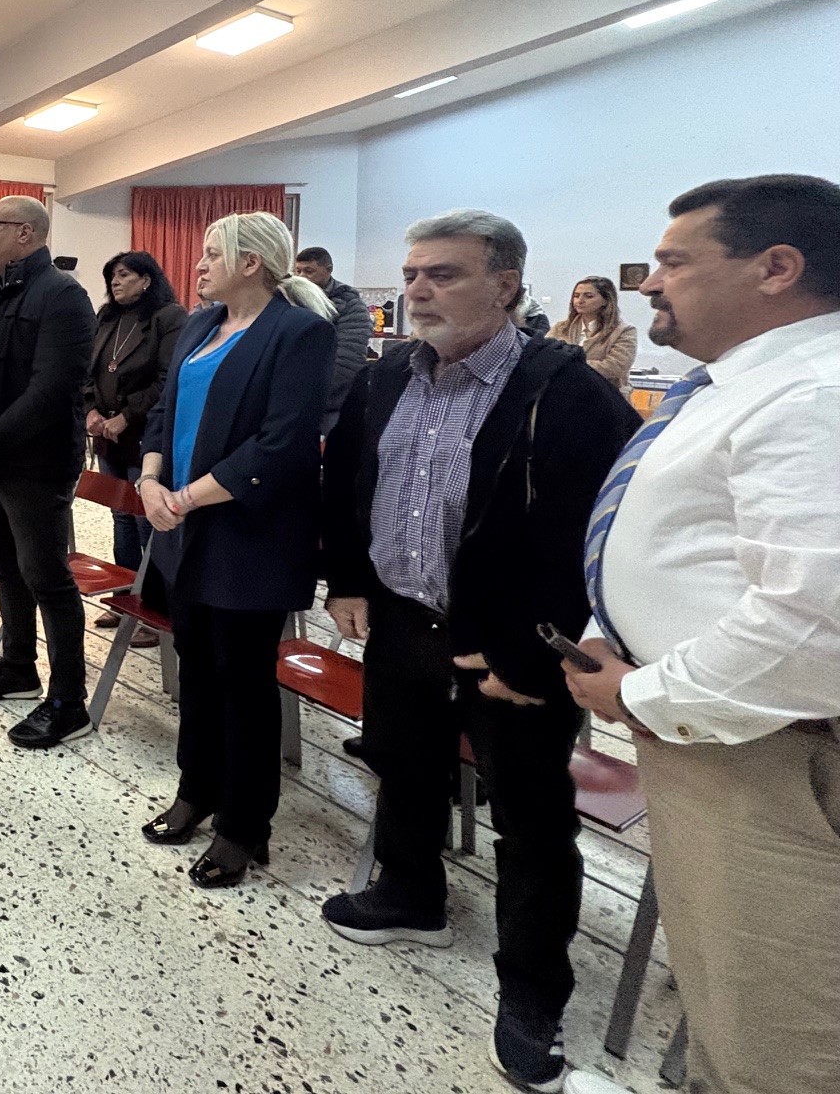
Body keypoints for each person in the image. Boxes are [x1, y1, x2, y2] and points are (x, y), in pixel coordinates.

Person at [318, 210, 639, 1093]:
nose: (418, 290)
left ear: (505, 285)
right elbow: (348, 480)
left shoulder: (564, 390)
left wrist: (531, 655)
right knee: (403, 765)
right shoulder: (388, 375)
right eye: (412, 274)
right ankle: (410, 892)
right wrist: (347, 580)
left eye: (444, 274)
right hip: (402, 619)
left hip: (508, 651)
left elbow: (599, 539)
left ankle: (532, 992)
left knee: (531, 823)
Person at [562, 175, 840, 1094]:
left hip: (771, 753)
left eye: (675, 262)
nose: (649, 283)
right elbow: (684, 542)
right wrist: (614, 635)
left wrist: (642, 692)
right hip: (715, 730)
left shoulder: (814, 394)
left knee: (775, 1040)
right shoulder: (741, 384)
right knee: (728, 995)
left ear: (776, 268)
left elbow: (818, 622)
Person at [134, 211, 333, 886]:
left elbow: (281, 443)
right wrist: (151, 480)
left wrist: (185, 499)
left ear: (252, 263)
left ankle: (245, 826)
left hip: (248, 535)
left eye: (211, 254)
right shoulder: (199, 327)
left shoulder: (298, 333)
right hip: (184, 528)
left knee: (242, 682)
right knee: (195, 667)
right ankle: (196, 790)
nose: (198, 264)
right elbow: (163, 413)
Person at [0, 195, 96, 748]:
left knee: (46, 576)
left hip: (33, 463)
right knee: (3, 564)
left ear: (25, 233)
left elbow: (52, 388)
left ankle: (69, 702)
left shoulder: (63, 296)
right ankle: (18, 668)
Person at [85, 250, 188, 649]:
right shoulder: (107, 316)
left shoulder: (169, 317)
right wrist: (91, 410)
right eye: (112, 275)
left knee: (147, 521)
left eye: (124, 274)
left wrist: (127, 415)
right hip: (107, 434)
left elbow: (168, 378)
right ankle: (126, 595)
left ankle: (155, 608)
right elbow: (89, 370)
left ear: (146, 280)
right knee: (121, 517)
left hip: (145, 436)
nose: (115, 281)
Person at [294, 245, 372, 433]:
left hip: (330, 405)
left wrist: (309, 398)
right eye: (298, 271)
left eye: (309, 271)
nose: (302, 277)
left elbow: (347, 361)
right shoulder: (291, 300)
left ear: (328, 270)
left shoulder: (351, 306)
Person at [547, 275, 637, 389]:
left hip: (605, 394)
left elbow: (615, 367)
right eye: (576, 296)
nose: (580, 301)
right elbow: (544, 356)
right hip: (562, 392)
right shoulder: (560, 328)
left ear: (606, 300)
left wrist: (567, 364)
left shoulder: (624, 331)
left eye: (589, 296)